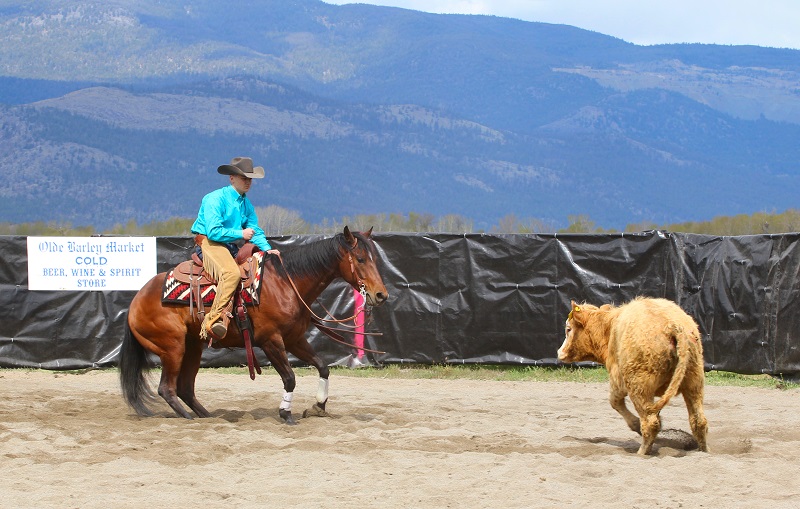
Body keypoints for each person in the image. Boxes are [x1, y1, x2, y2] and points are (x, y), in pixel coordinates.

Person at [190, 156, 279, 341]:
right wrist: (241, 234)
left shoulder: (246, 204)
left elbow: (256, 231)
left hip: (228, 245)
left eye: (250, 178)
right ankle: (212, 320)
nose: (248, 182)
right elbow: (214, 232)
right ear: (232, 178)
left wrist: (268, 249)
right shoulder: (214, 199)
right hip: (209, 242)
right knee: (232, 274)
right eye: (243, 178)